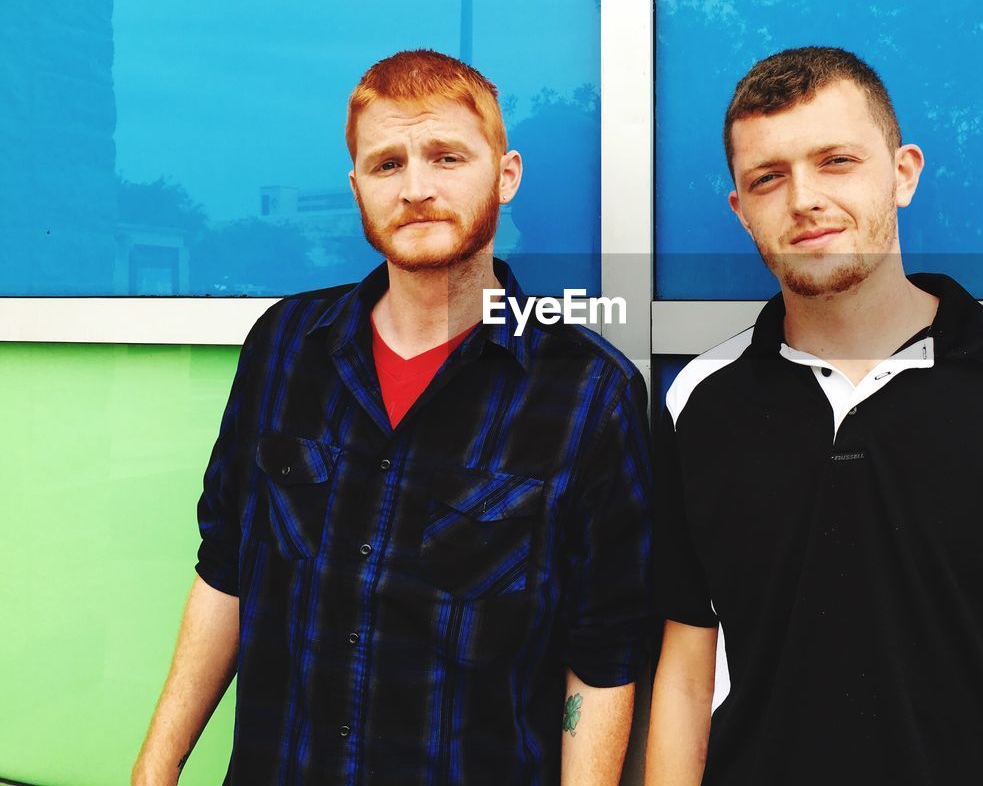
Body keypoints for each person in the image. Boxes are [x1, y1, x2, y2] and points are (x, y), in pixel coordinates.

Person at [645, 46, 983, 785]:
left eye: (836, 161)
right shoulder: (698, 401)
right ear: (742, 211)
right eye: (768, 178)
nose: (804, 198)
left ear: (903, 172)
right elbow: (686, 679)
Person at [133, 50, 651, 786]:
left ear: (506, 176)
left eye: (446, 157)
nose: (416, 188)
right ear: (357, 189)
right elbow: (225, 571)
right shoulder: (285, 347)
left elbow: (600, 660)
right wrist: (156, 767)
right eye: (386, 165)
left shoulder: (589, 392)